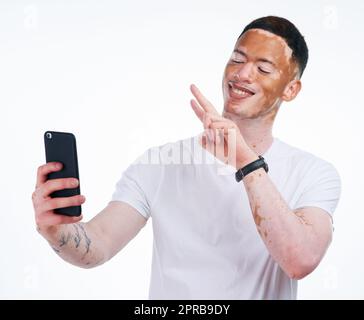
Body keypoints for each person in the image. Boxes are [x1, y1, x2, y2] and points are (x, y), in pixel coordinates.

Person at [32, 16, 341, 299]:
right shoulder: (159, 164)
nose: (243, 73)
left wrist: (246, 162)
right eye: (237, 59)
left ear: (290, 89)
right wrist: (56, 231)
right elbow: (97, 245)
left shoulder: (313, 173)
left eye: (263, 68)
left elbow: (300, 260)